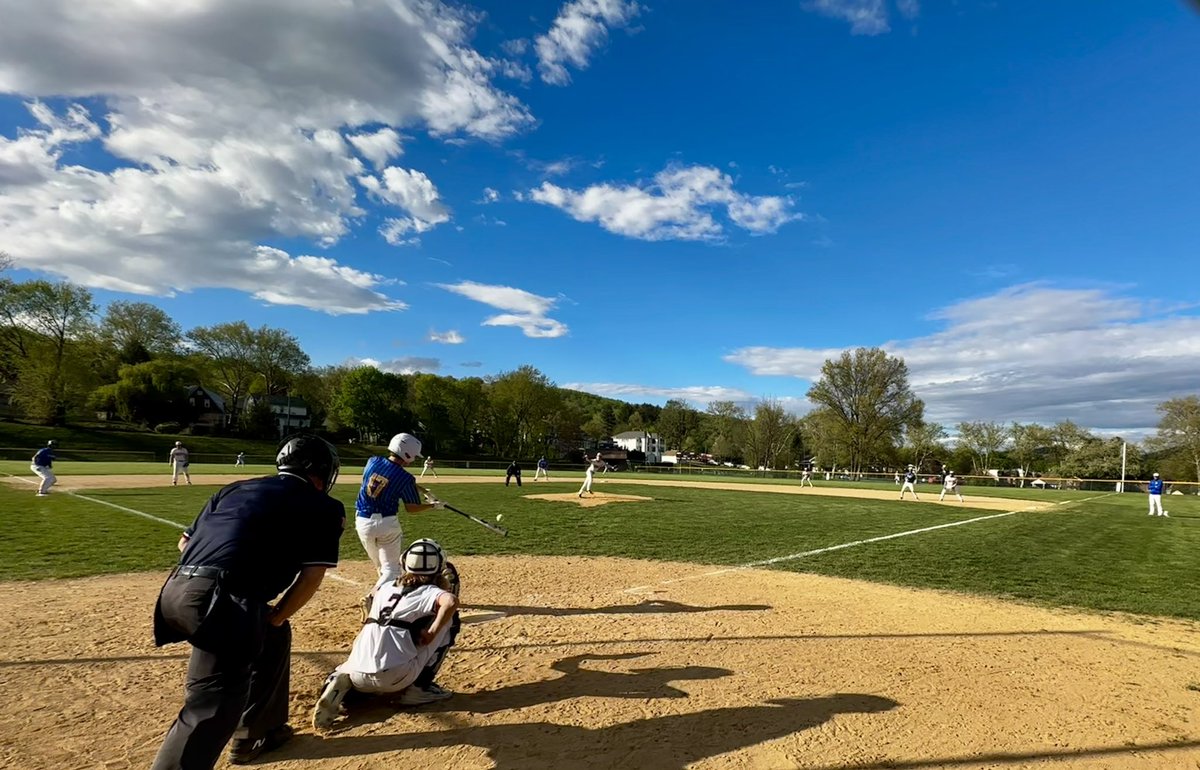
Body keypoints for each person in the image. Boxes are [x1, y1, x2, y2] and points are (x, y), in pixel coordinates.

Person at [150, 434, 345, 769]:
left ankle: (260, 730)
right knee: (210, 709)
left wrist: (267, 617)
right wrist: (277, 613)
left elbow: (184, 544)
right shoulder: (324, 506)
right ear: (320, 472)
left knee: (272, 636)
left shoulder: (235, 488)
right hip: (222, 602)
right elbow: (312, 576)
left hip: (176, 590)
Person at [312, 539, 460, 731]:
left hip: (357, 671)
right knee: (450, 620)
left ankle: (342, 681)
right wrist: (431, 632)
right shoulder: (431, 591)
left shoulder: (386, 587)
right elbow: (450, 602)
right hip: (397, 677)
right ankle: (420, 688)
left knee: (377, 634)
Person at [356, 433, 445, 587]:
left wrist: (424, 491)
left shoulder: (372, 461)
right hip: (387, 524)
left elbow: (389, 480)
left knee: (380, 566)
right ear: (407, 454)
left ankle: (384, 592)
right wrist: (433, 505)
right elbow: (412, 508)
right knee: (391, 569)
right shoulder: (406, 477)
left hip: (362, 522)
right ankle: (373, 597)